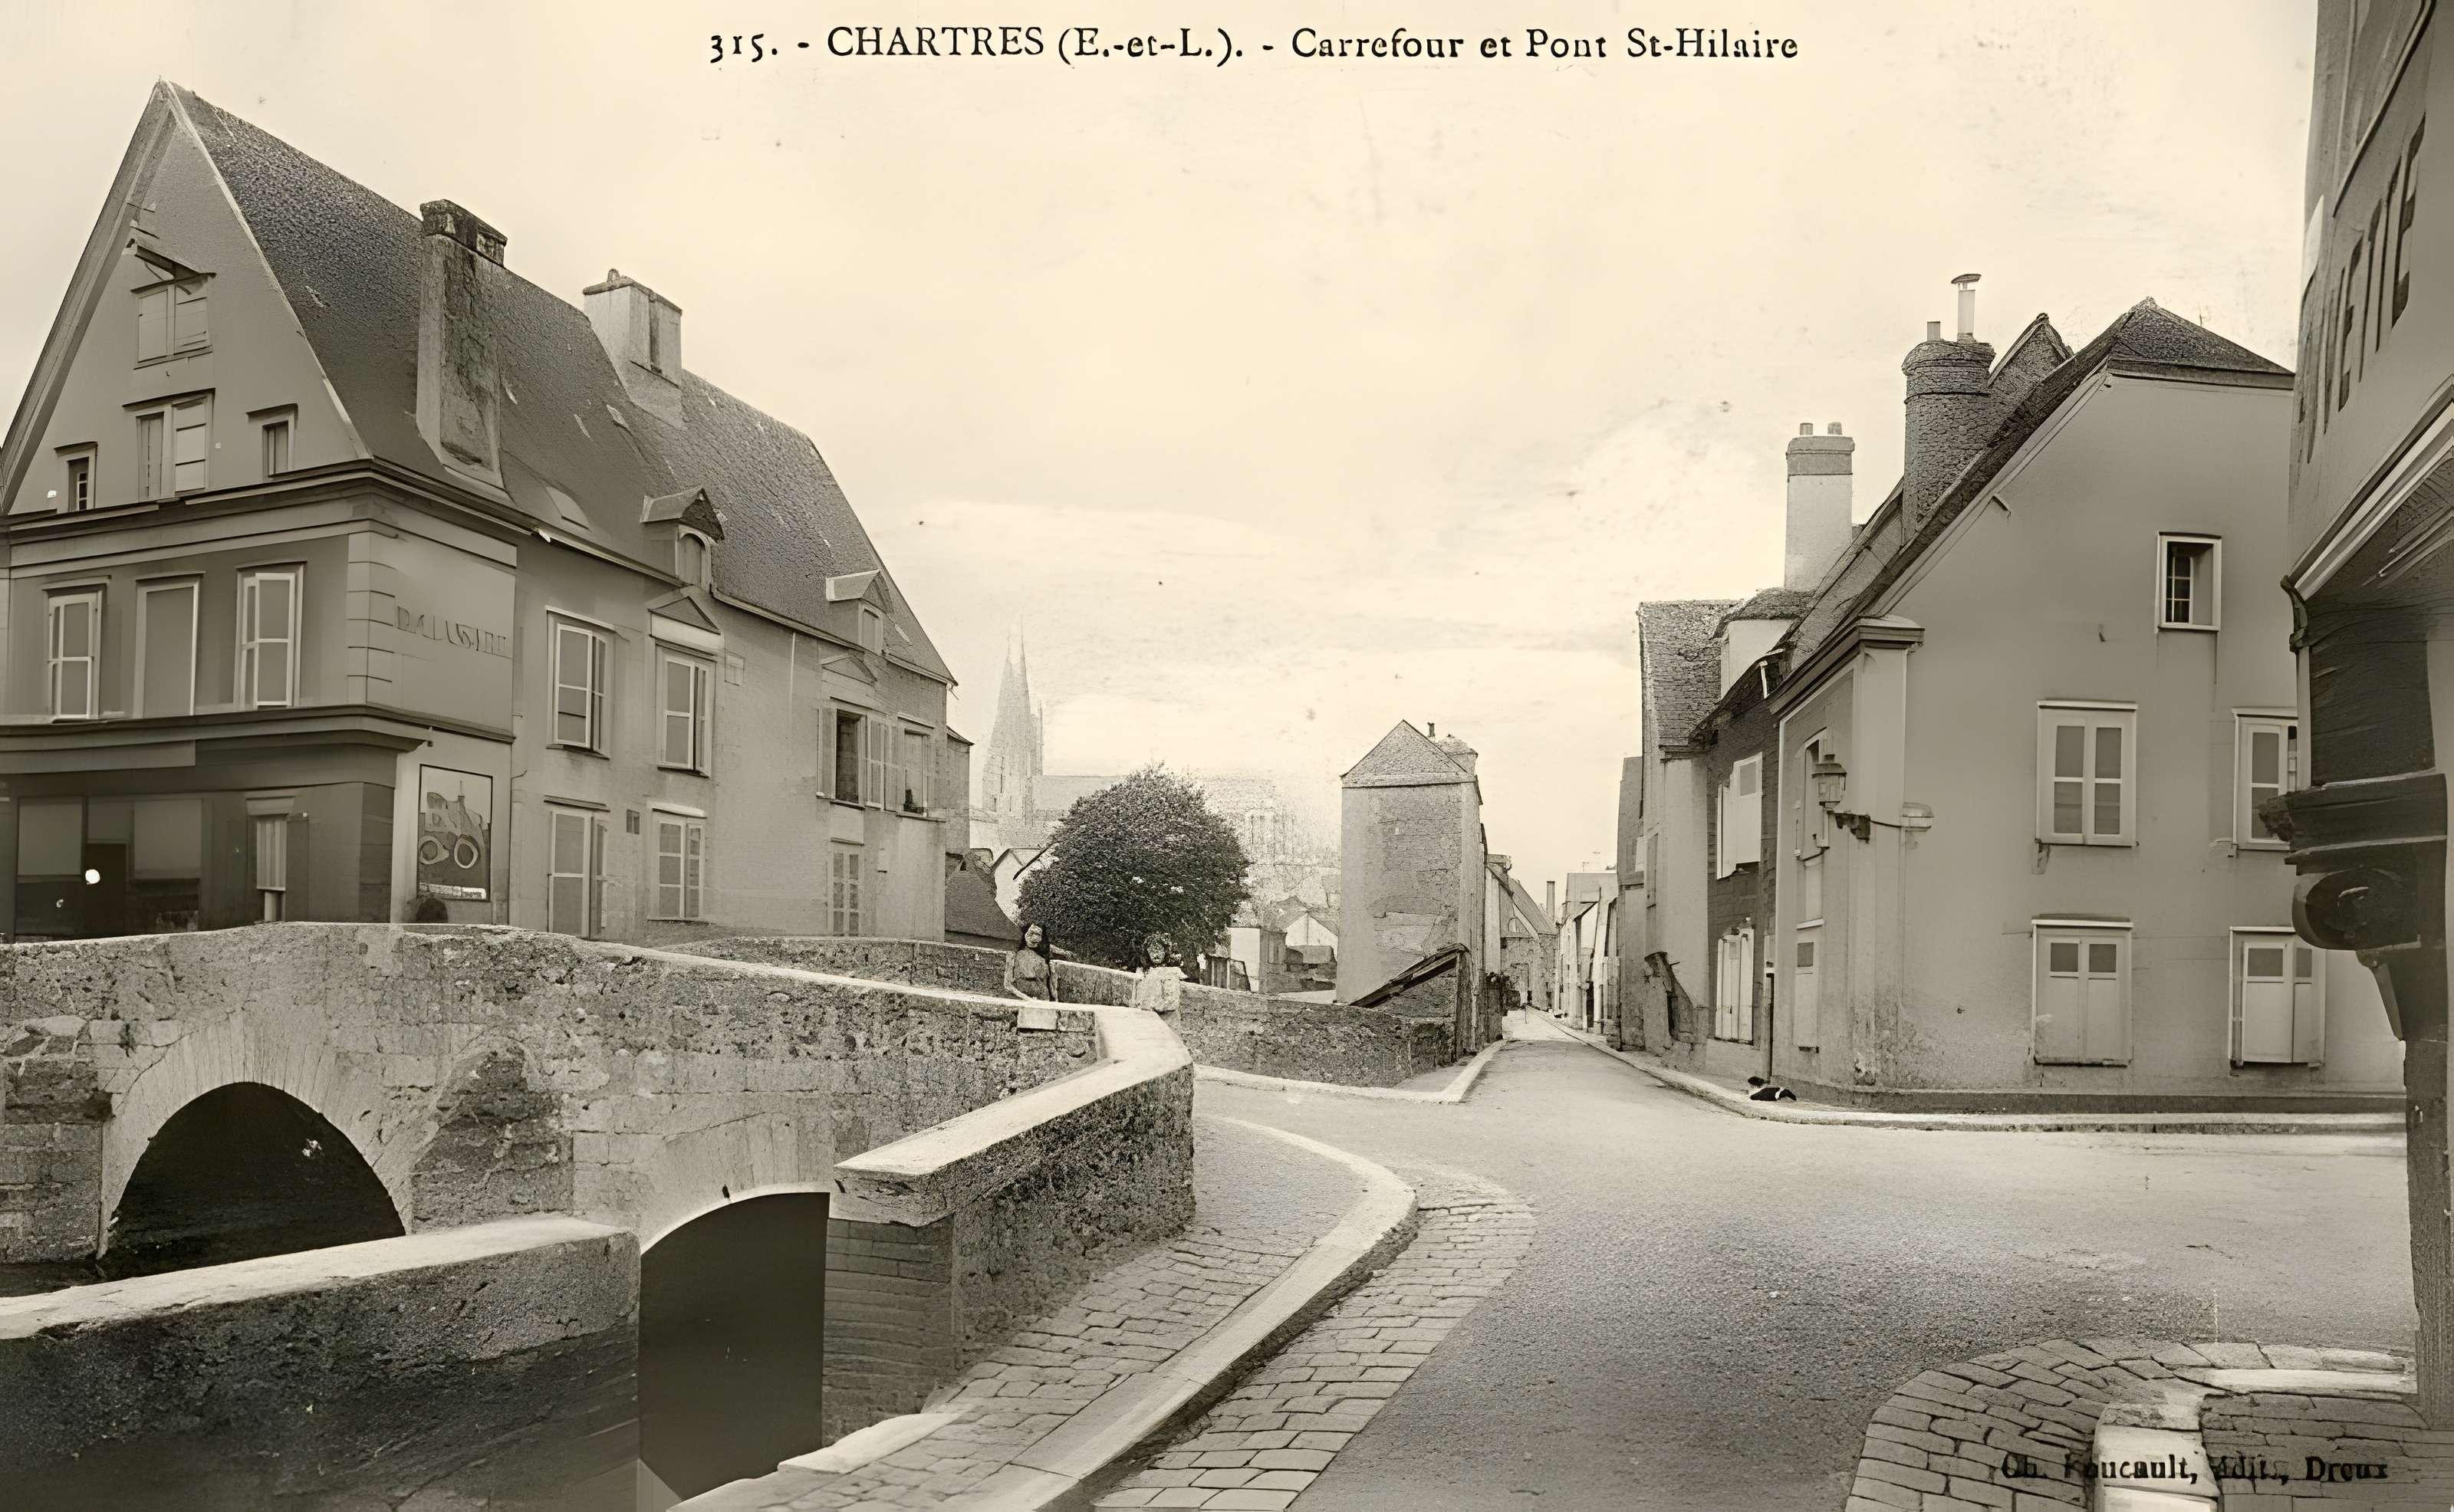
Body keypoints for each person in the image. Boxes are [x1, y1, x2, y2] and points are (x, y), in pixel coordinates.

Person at [1005, 922, 1061, 1001]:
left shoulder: (1044, 958)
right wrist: (1029, 1000)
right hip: (1026, 1002)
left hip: (1044, 1001)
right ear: (1025, 934)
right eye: (1031, 933)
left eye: (1038, 934)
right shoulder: (1013, 955)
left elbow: (1050, 985)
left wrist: (1055, 1002)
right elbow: (1008, 984)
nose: (1034, 937)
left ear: (1041, 938)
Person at [1131, 933, 1185, 1014]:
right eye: (1152, 951)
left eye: (1160, 950)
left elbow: (1171, 1002)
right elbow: (1135, 999)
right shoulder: (1143, 972)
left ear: (1165, 952)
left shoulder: (1171, 972)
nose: (1156, 954)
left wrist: (1155, 1006)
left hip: (1164, 1016)